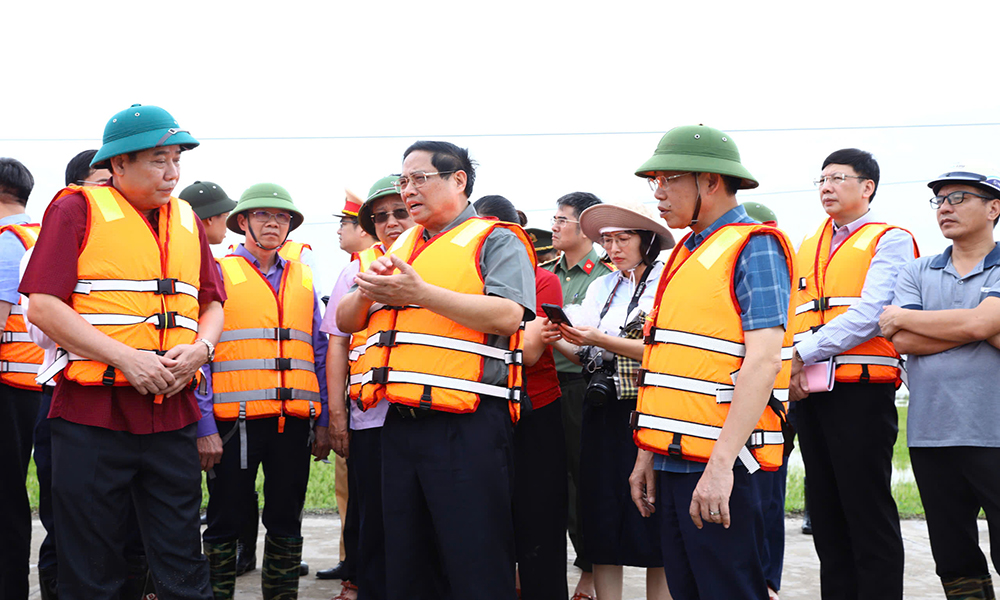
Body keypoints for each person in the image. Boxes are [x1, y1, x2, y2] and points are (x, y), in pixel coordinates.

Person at [21, 103, 223, 600]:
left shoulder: (186, 220)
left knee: (182, 560)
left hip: (171, 414)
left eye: (177, 159)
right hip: (92, 415)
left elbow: (212, 302)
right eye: (159, 160)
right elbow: (44, 306)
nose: (172, 173)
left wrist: (202, 348)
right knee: (91, 564)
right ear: (118, 165)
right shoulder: (74, 209)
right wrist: (125, 357)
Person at [336, 140, 535, 599]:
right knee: (407, 563)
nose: (407, 191)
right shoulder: (402, 246)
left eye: (419, 179)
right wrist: (371, 290)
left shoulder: (496, 239)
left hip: (467, 425)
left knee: (475, 559)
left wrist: (419, 292)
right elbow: (347, 321)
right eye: (403, 181)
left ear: (458, 180)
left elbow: (509, 316)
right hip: (399, 425)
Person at [628, 125, 795, 599]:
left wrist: (720, 467)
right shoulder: (685, 251)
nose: (658, 193)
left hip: (727, 467)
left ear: (712, 182)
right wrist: (648, 454)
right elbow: (669, 363)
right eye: (654, 181)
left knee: (731, 590)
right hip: (675, 460)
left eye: (670, 179)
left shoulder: (754, 245)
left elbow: (763, 362)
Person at [788, 148, 916, 600]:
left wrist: (799, 354)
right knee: (824, 512)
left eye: (838, 178)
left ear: (868, 188)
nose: (826, 186)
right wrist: (793, 363)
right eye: (821, 179)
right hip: (812, 391)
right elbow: (793, 316)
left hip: (861, 393)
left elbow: (871, 313)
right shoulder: (807, 243)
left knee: (866, 511)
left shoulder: (891, 238)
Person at [201, 183, 330, 600]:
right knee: (224, 519)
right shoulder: (218, 273)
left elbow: (320, 350)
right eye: (262, 216)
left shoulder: (303, 278)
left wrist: (325, 420)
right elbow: (200, 356)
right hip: (233, 423)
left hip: (293, 423)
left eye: (282, 217)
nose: (274, 223)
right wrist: (203, 424)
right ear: (243, 222)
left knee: (286, 519)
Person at [878, 165, 1000, 599]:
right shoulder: (917, 270)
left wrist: (909, 317)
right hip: (932, 433)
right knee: (952, 553)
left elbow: (981, 322)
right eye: (940, 201)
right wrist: (977, 329)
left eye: (959, 198)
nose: (945, 208)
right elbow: (902, 339)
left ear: (993, 208)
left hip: (994, 431)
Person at [545, 200, 674, 600]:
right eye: (608, 240)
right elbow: (588, 354)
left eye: (624, 238)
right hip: (601, 407)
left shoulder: (666, 283)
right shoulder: (603, 285)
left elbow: (663, 350)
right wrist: (561, 338)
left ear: (648, 240)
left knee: (653, 516)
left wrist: (597, 339)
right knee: (599, 511)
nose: (614, 248)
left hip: (650, 405)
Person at [321, 174, 416, 600]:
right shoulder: (355, 271)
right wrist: (338, 416)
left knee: (420, 517)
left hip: (426, 413)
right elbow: (337, 345)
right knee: (373, 514)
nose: (392, 222)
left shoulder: (444, 261)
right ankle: (366, 585)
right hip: (370, 416)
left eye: (401, 211)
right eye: (381, 217)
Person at [475, 195, 568, 600]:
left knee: (539, 517)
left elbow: (529, 351)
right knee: (488, 515)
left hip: (536, 410)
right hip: (485, 408)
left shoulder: (542, 279)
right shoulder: (462, 281)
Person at [545, 190, 613, 600]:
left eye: (562, 220)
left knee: (583, 481)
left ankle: (589, 572)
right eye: (552, 219)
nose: (554, 226)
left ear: (586, 227)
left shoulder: (604, 275)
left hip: (583, 386)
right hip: (543, 383)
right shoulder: (546, 272)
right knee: (549, 484)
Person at [315, 192, 371, 584]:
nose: (338, 230)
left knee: (361, 493)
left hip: (374, 400)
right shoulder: (353, 270)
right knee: (347, 488)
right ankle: (350, 560)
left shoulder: (363, 271)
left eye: (344, 223)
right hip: (355, 399)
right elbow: (335, 341)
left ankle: (357, 563)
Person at [742, 200, 790, 600]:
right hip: (738, 407)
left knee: (768, 501)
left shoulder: (768, 263)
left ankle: (769, 582)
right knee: (755, 504)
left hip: (770, 410)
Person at [0, 157, 41, 600]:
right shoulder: (39, 234)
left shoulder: (5, 242)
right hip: (44, 386)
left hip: (9, 388)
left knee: (6, 500)